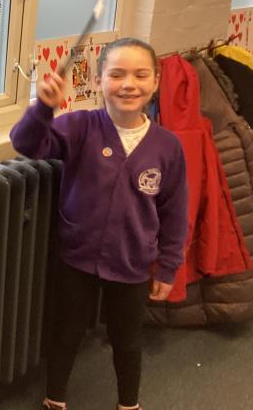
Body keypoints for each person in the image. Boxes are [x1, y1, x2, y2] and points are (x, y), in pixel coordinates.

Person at [10, 37, 188, 410]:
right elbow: (26, 143)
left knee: (127, 340)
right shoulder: (80, 126)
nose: (129, 84)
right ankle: (55, 398)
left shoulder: (168, 146)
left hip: (133, 261)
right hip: (77, 258)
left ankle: (129, 404)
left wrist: (168, 266)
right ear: (98, 79)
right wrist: (42, 108)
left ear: (156, 81)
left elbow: (174, 211)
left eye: (141, 75)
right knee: (66, 332)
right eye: (117, 74)